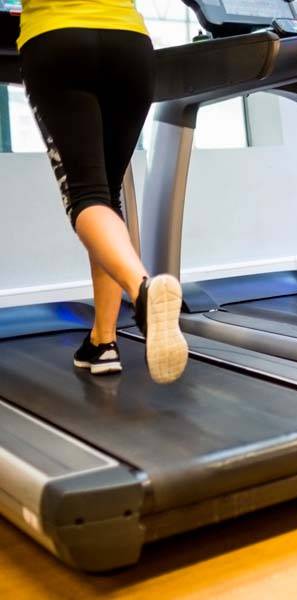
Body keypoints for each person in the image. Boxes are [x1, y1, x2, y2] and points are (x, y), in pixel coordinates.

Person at [17, 0, 188, 383]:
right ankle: (103, 341)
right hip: (129, 46)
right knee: (107, 195)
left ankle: (143, 294)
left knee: (86, 195)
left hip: (58, 39)